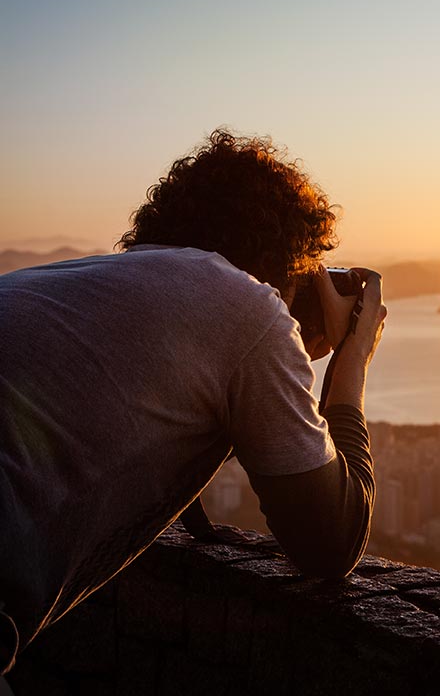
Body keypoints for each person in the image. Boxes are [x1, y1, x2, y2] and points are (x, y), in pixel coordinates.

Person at [0, 130, 387, 675]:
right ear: (288, 257)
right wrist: (351, 359)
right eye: (309, 266)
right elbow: (331, 542)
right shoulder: (246, 306)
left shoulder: (67, 280)